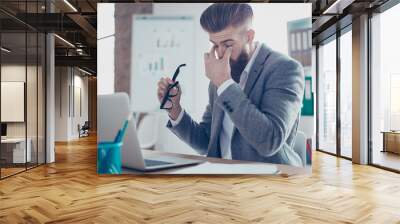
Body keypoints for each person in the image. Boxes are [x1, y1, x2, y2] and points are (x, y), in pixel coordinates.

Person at [157, 3, 304, 166]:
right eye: (214, 44)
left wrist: (224, 84)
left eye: (228, 44)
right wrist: (175, 109)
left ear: (249, 36)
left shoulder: (285, 68)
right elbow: (206, 141)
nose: (220, 53)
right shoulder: (220, 76)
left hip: (267, 181)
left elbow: (269, 142)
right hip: (222, 178)